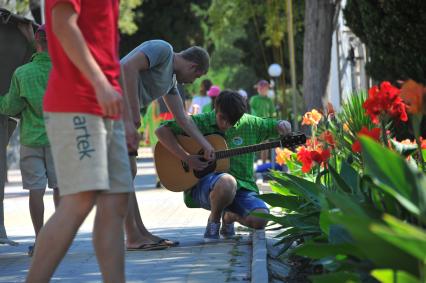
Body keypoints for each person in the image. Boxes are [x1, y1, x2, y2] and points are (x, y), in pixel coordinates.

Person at [26, 1, 139, 282]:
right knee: (79, 199)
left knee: (116, 202)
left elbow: (109, 54)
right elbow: (63, 24)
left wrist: (125, 115)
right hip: (76, 102)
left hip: (107, 105)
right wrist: (100, 84)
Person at [155, 90, 292, 241]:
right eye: (222, 118)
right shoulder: (200, 122)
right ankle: (214, 220)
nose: (225, 124)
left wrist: (282, 124)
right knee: (227, 181)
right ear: (216, 108)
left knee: (261, 218)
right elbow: (161, 131)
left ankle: (229, 216)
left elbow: (274, 125)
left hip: (243, 188)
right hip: (206, 188)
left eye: (232, 121)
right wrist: (187, 158)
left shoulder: (250, 124)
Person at [121, 40, 214, 250]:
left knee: (129, 171)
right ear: (193, 67)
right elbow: (126, 67)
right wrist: (133, 113)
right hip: (108, 107)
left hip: (121, 114)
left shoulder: (171, 81)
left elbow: (183, 118)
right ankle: (133, 237)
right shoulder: (163, 49)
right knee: (123, 173)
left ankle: (140, 233)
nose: (192, 82)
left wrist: (205, 144)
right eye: (196, 77)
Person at [0, 24, 59, 256]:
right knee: (60, 189)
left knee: (36, 190)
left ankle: (40, 239)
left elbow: (10, 106)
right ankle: (62, 238)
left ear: (37, 44)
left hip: (31, 140)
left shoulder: (22, 73)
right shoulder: (65, 72)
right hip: (59, 140)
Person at [249, 80, 276, 163]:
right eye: (260, 88)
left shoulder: (269, 100)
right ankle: (251, 162)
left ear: (267, 89)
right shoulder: (254, 99)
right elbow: (252, 110)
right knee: (253, 144)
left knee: (265, 145)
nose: (262, 89)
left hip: (266, 125)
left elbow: (272, 113)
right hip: (255, 124)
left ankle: (263, 163)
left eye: (264, 88)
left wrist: (273, 123)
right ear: (258, 89)